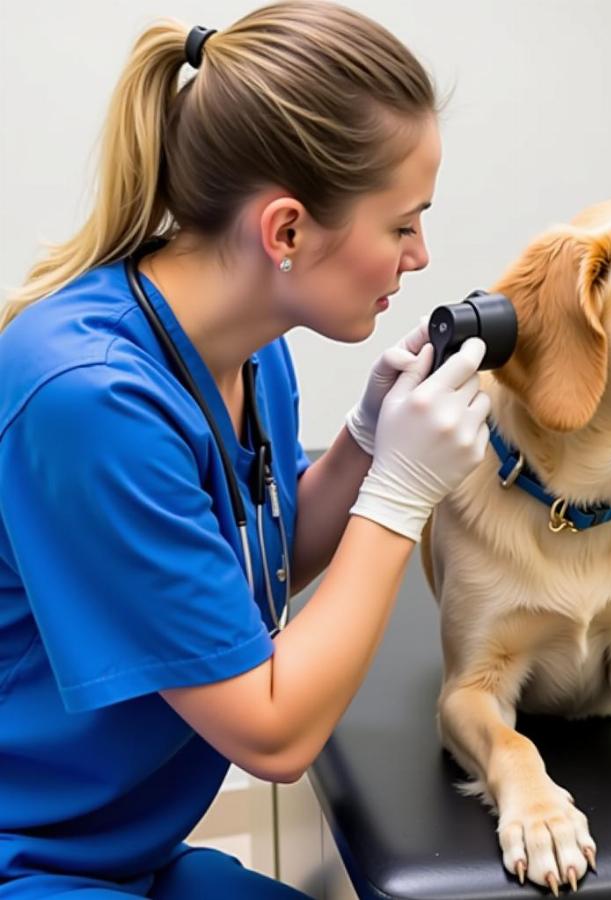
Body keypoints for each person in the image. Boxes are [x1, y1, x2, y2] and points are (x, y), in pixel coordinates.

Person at [0, 2, 492, 897]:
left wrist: (365, 444)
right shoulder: (89, 398)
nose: (420, 256)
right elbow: (273, 734)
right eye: (402, 224)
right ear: (288, 232)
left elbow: (258, 561)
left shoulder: (252, 350)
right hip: (30, 859)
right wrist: (402, 495)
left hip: (125, 850)